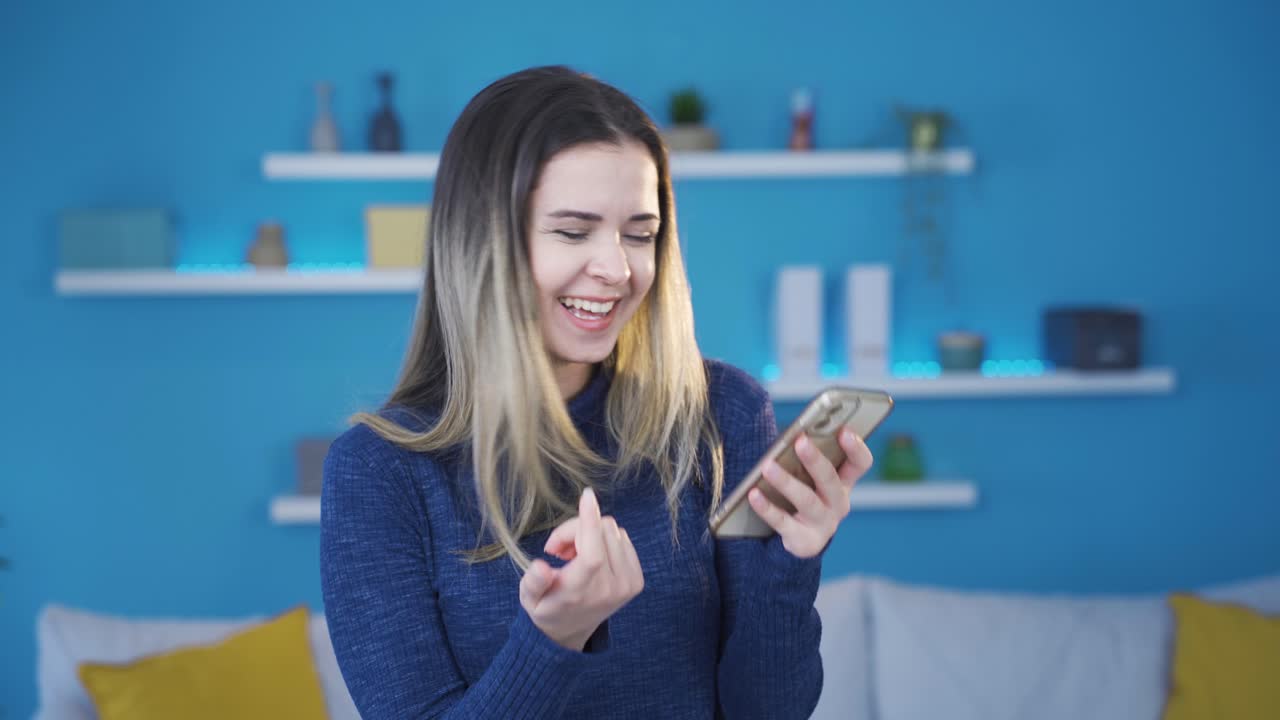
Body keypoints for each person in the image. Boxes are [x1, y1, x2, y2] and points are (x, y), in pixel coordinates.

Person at [320, 65, 875, 719]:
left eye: (640, 234)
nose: (617, 269)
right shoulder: (378, 473)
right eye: (573, 231)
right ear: (482, 243)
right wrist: (553, 641)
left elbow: (767, 712)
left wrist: (791, 560)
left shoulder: (722, 414)